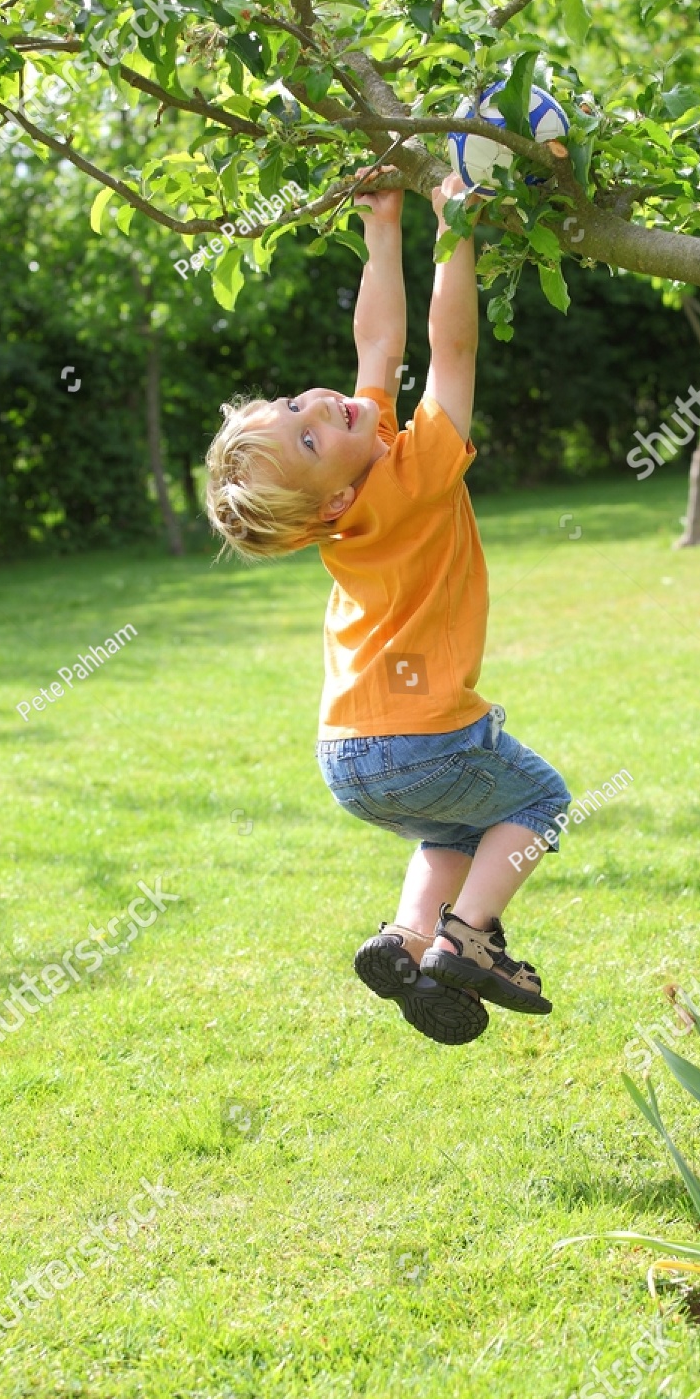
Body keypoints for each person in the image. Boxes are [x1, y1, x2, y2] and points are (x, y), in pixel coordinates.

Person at [205, 169, 571, 1046]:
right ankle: (467, 938)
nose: (323, 406)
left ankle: (405, 938)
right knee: (540, 800)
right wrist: (455, 235)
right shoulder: (414, 472)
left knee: (455, 830)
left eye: (297, 407)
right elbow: (450, 356)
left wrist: (383, 227)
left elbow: (380, 344)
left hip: (347, 756)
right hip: (418, 736)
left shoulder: (357, 476)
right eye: (306, 434)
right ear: (325, 500)